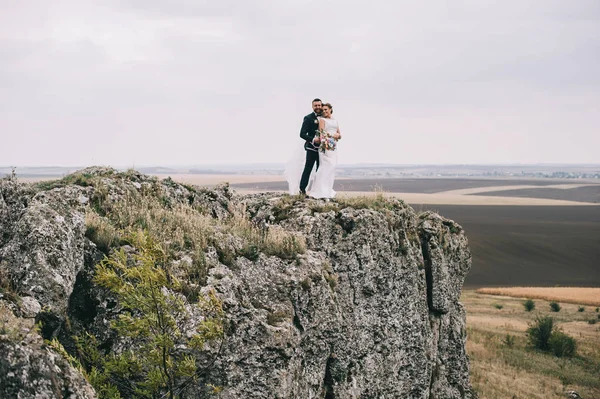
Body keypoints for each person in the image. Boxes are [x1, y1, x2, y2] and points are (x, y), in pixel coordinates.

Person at [309, 103, 341, 199]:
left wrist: (337, 136)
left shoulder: (335, 121)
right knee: (325, 167)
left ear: (331, 109)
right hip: (325, 145)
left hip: (333, 146)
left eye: (326, 109)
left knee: (332, 167)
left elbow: (340, 134)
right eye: (323, 110)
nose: (324, 111)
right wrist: (332, 136)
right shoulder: (322, 120)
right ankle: (321, 191)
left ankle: (327, 190)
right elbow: (322, 134)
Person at [298, 98, 323, 195]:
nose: (318, 107)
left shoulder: (326, 118)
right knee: (308, 168)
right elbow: (302, 134)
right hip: (311, 148)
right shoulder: (308, 118)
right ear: (312, 106)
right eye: (315, 105)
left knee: (320, 169)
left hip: (323, 149)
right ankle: (302, 190)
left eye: (319, 105)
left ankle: (319, 190)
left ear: (322, 105)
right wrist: (313, 139)